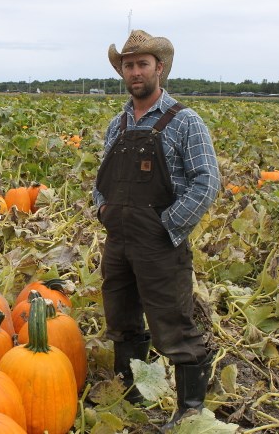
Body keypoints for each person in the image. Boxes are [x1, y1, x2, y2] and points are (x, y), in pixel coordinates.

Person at [92, 30, 221, 431]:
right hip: (119, 241)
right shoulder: (118, 123)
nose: (135, 72)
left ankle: (190, 410)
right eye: (128, 65)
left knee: (174, 326)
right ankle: (129, 394)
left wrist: (169, 226)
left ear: (159, 68)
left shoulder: (185, 121)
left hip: (161, 244)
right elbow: (101, 180)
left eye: (142, 64)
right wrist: (104, 210)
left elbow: (207, 181)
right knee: (122, 319)